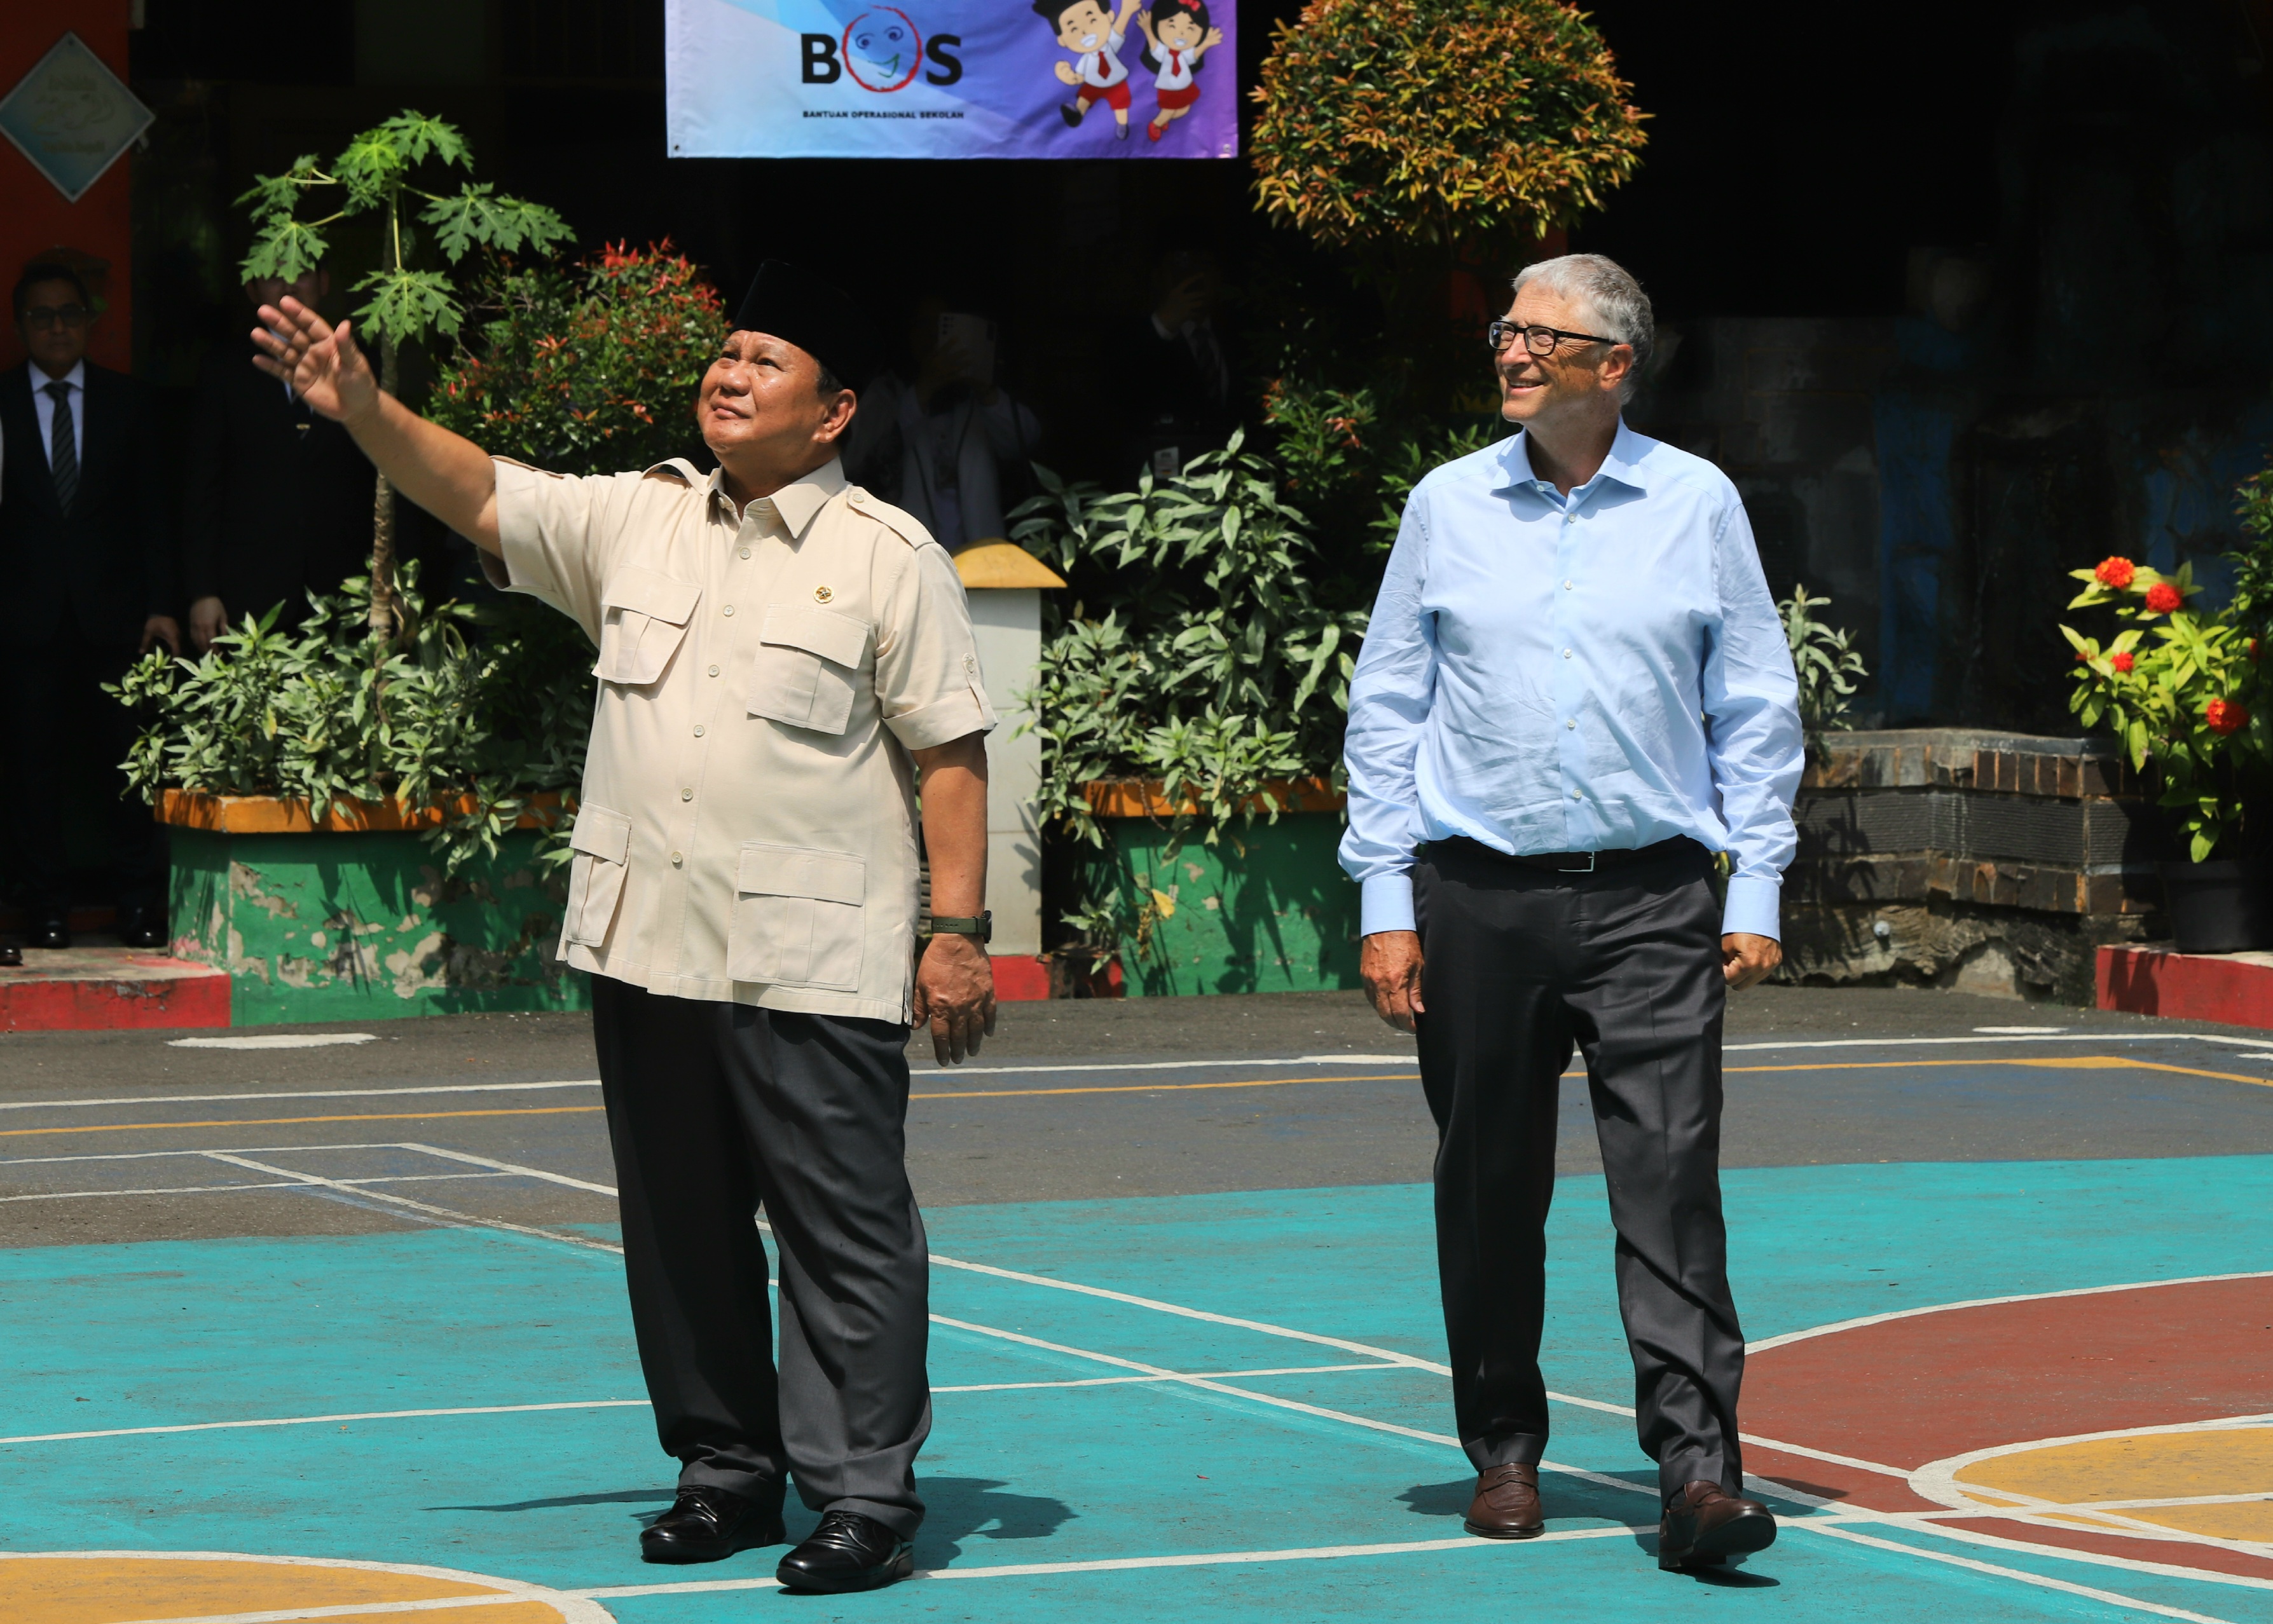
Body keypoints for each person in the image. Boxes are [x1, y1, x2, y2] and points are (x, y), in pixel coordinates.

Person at [251, 260, 999, 1596]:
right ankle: (726, 1469)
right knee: (680, 1230)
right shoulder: (637, 518)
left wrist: (957, 929)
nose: (730, 374)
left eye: (765, 361)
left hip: (812, 957)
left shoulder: (887, 556)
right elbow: (481, 490)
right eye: (726, 352)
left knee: (845, 1235)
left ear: (832, 412)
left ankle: (861, 1494)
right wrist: (363, 407)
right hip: (650, 944)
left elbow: (949, 753)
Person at [1339, 253, 1804, 1573]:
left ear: (1614, 365)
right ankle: (1502, 1446)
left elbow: (1754, 699)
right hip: (1475, 895)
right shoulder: (1445, 504)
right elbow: (1388, 705)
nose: (1511, 349)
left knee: (1671, 1182)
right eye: (1506, 329)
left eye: (1542, 335)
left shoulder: (1695, 501)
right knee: (1489, 1184)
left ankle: (1697, 1474)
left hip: (1653, 895)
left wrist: (1755, 882)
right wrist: (1385, 900)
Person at [0, 263, 179, 950]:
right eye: (42, 315)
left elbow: (154, 512)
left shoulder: (128, 402)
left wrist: (161, 604)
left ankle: (137, 905)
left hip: (119, 621)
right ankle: (46, 908)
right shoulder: (1, 402)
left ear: (88, 321)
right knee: (32, 773)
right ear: (21, 326)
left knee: (128, 769)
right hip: (24, 622)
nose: (56, 327)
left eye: (69, 313)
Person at [182, 262, 374, 652]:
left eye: (301, 271)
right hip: (249, 592)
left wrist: (396, 586)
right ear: (252, 290)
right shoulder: (222, 368)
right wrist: (203, 591)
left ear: (324, 281)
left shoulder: (361, 364)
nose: (289, 285)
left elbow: (388, 478)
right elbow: (201, 485)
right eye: (273, 275)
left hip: (348, 589)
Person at [841, 297, 1041, 554]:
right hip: (908, 553)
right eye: (925, 325)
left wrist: (986, 389)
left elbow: (1024, 441)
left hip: (982, 555)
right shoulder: (886, 394)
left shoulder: (977, 399)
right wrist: (925, 389)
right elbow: (863, 456)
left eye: (945, 324)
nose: (935, 335)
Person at [1112, 243, 1236, 478]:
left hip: (1226, 477)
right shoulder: (1131, 336)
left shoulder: (1237, 337)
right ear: (1158, 275)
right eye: (1181, 264)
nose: (1196, 277)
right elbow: (1122, 394)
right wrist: (1164, 324)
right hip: (1158, 476)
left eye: (1205, 265)